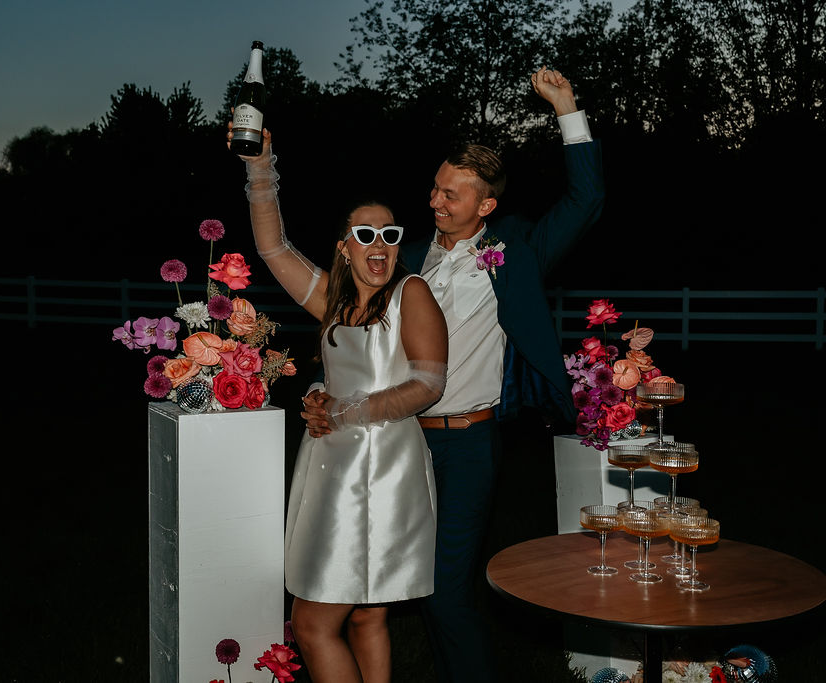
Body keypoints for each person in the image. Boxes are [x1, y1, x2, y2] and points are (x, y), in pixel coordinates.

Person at [304, 67, 604, 681]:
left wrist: (566, 109)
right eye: (435, 188)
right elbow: (356, 327)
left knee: (445, 592)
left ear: (486, 206)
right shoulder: (405, 257)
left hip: (466, 443)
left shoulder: (515, 254)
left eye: (451, 194)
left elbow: (586, 202)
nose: (434, 201)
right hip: (398, 441)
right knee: (386, 583)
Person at [232, 129, 449, 683]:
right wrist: (261, 169)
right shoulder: (331, 299)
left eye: (390, 234)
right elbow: (272, 248)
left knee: (311, 623)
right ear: (344, 245)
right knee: (367, 614)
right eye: (366, 233)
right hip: (332, 463)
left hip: (383, 467)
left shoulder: (411, 294)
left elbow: (428, 384)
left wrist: (343, 412)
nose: (380, 245)